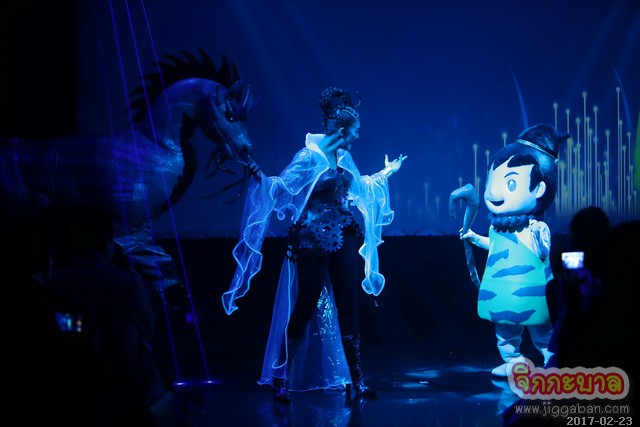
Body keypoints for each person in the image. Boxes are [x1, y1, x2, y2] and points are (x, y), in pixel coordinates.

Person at [222, 86, 407, 403]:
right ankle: (281, 375)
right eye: (355, 131)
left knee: (348, 305)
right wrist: (259, 176)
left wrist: (386, 173)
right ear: (342, 130)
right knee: (305, 305)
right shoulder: (308, 158)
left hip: (343, 237)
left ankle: (358, 379)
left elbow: (360, 189)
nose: (357, 136)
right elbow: (281, 188)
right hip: (311, 240)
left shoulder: (345, 157)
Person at [40, 201, 173, 426]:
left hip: (78, 392)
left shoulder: (56, 285)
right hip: (129, 391)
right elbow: (147, 331)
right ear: (106, 243)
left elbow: (63, 331)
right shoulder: (127, 283)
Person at [459, 123, 569, 377]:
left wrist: (539, 240)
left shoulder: (535, 227)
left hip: (532, 292)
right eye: (492, 180)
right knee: (505, 330)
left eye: (510, 183)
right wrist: (474, 238)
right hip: (502, 292)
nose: (493, 192)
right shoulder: (497, 227)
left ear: (539, 188)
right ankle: (513, 360)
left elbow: (542, 252)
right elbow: (494, 245)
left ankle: (552, 361)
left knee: (541, 330)